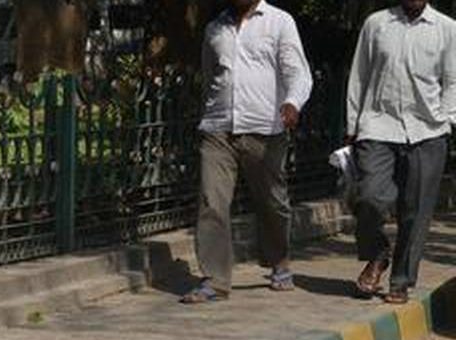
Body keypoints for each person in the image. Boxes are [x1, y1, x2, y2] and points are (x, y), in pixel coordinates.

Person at [180, 0, 313, 303]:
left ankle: (279, 262)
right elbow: (209, 75)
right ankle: (215, 280)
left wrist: (293, 102)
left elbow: (297, 71)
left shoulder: (280, 21)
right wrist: (206, 115)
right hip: (218, 128)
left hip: (265, 128)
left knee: (272, 201)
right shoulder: (215, 28)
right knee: (211, 201)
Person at [345, 0, 456, 304]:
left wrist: (447, 118)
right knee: (370, 196)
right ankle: (377, 254)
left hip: (427, 130)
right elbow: (359, 75)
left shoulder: (447, 29)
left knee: (415, 210)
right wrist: (353, 123)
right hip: (378, 124)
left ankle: (401, 280)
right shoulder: (377, 24)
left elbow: (453, 81)